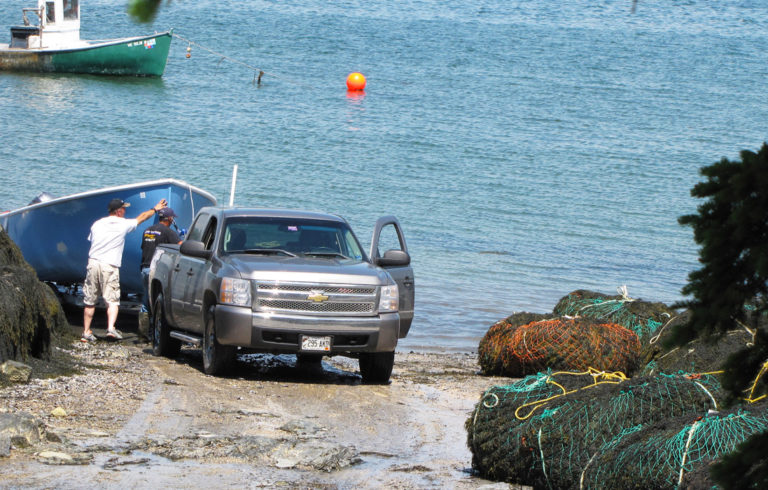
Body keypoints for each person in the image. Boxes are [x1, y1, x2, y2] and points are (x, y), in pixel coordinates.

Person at [80, 197, 167, 342]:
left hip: (93, 263)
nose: (126, 211)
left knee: (90, 300)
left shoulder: (97, 224)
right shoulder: (122, 224)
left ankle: (86, 331)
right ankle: (111, 329)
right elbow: (141, 218)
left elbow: (92, 240)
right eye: (124, 208)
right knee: (112, 300)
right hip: (109, 265)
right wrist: (155, 209)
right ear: (119, 211)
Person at [139, 207, 182, 336]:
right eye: (172, 218)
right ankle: (156, 333)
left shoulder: (147, 230)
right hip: (156, 271)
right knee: (159, 302)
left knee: (146, 301)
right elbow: (181, 246)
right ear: (169, 219)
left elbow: (144, 247)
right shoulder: (169, 232)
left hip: (145, 268)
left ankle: (143, 333)